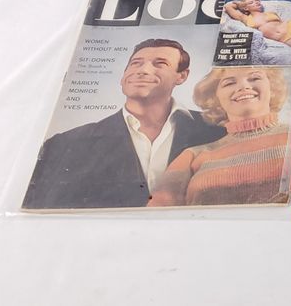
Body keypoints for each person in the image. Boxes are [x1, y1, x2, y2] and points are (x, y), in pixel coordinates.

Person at [22, 39, 225, 210]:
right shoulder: (65, 143)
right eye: (136, 63)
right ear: (123, 75)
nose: (143, 70)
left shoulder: (217, 131)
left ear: (181, 76)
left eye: (160, 64)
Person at [148, 67, 291, 206]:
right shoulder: (192, 156)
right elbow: (157, 213)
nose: (243, 87)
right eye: (229, 83)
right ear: (215, 98)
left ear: (272, 88)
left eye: (255, 78)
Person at [224, 0, 291, 47]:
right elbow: (228, 7)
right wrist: (240, 4)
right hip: (284, 39)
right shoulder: (246, 18)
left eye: (256, 0)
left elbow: (280, 23)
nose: (256, 2)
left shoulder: (271, 13)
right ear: (246, 8)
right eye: (251, 2)